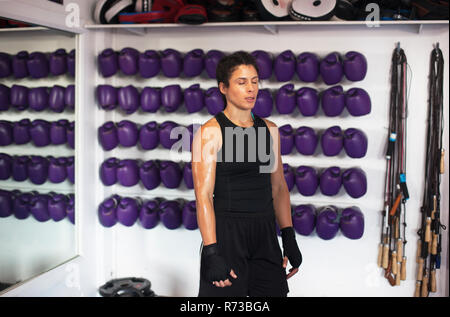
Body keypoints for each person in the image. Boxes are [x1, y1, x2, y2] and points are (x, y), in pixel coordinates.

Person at [192, 51, 302, 297]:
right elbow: (204, 196)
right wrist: (211, 251)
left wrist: (289, 236)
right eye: (242, 82)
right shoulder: (211, 133)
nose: (251, 89)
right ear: (223, 87)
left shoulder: (270, 130)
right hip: (227, 236)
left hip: (264, 233)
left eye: (254, 81)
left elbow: (278, 188)